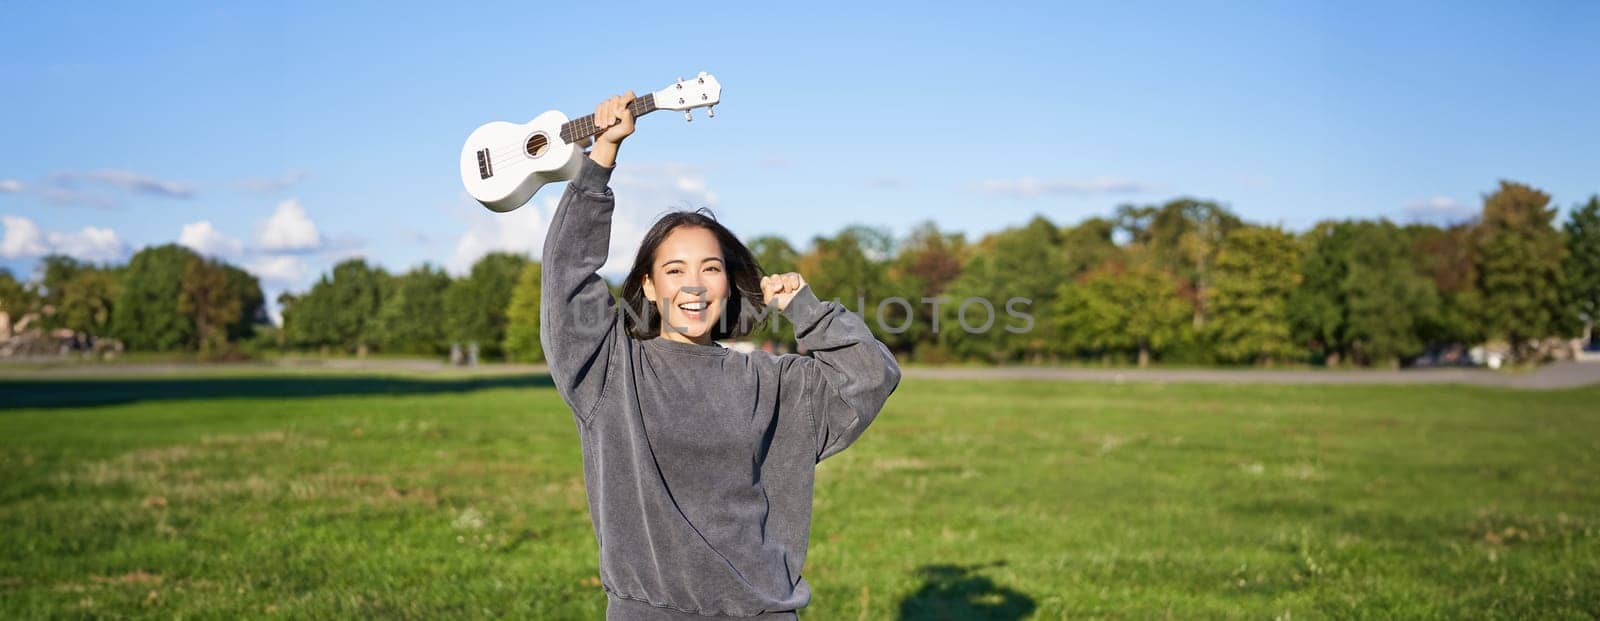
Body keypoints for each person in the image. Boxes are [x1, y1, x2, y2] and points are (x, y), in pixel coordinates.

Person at [540, 91, 902, 619]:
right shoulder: (613, 373)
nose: (695, 285)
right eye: (675, 270)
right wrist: (600, 161)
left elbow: (872, 375)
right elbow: (566, 279)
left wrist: (808, 311)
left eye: (711, 268)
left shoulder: (771, 381)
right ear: (649, 284)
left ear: (729, 284)